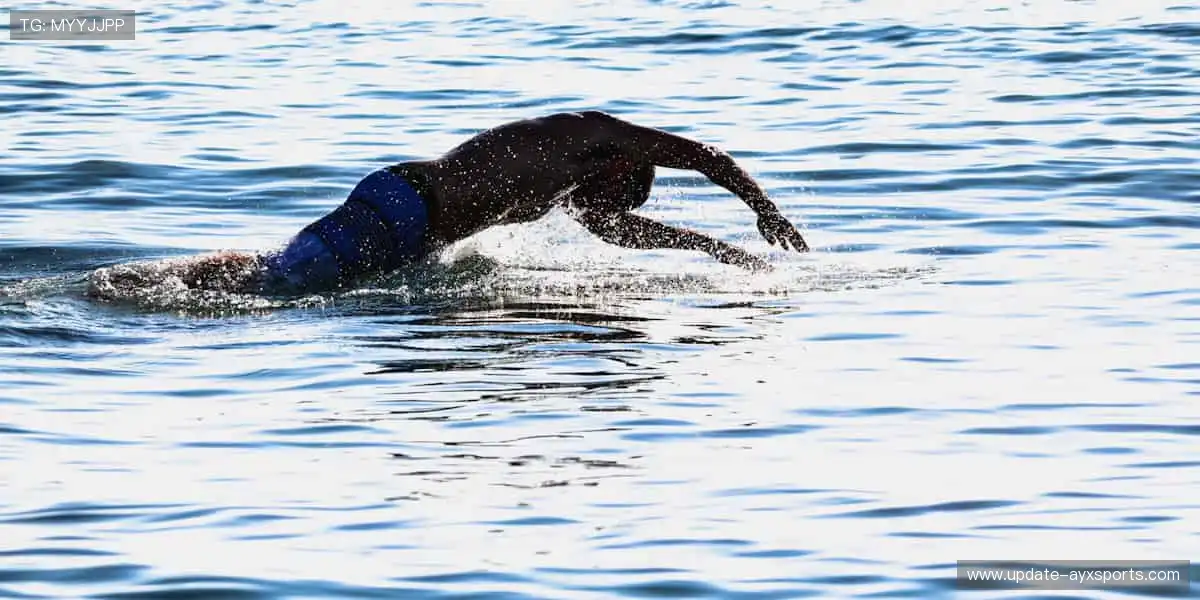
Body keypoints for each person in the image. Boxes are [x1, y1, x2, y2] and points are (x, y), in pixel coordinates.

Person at [109, 111, 809, 296]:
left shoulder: (574, 179)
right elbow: (704, 156)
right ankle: (137, 287)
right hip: (409, 209)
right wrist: (763, 208)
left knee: (276, 275)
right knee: (277, 287)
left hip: (399, 197)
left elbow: (619, 231)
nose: (594, 211)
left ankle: (154, 280)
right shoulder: (593, 133)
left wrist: (710, 246)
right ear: (625, 166)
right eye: (606, 197)